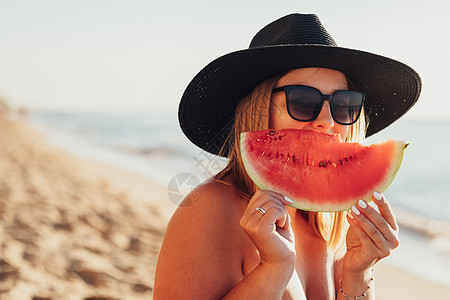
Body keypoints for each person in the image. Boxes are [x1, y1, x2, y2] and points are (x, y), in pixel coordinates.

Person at [154, 13, 421, 299]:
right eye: (303, 101)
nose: (328, 121)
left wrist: (358, 274)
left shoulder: (335, 222)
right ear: (258, 109)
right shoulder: (209, 209)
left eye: (344, 104)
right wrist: (273, 267)